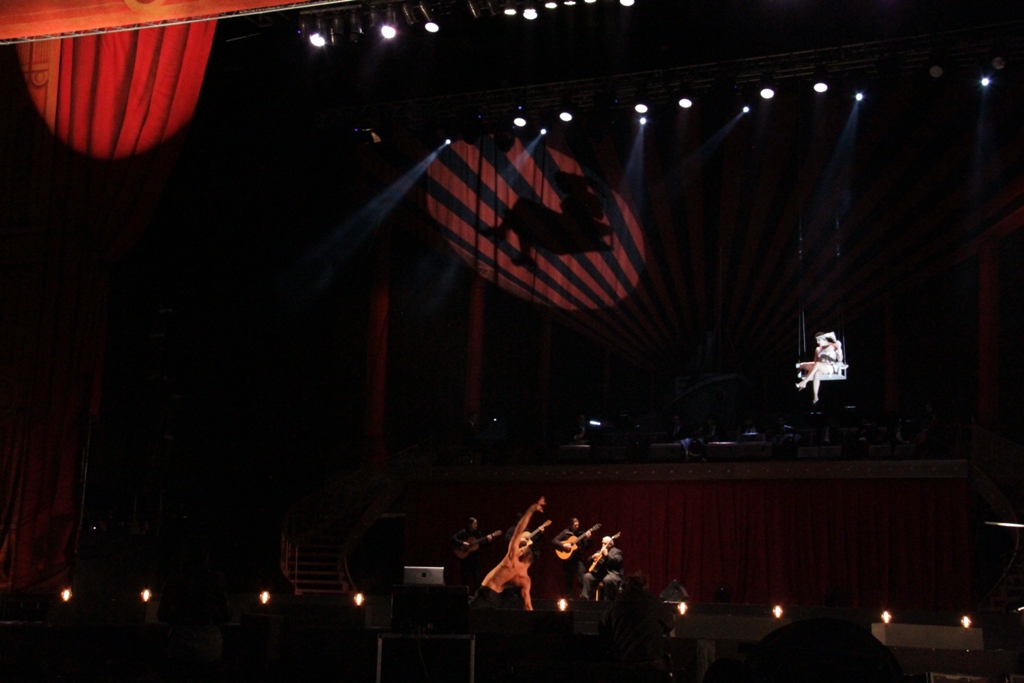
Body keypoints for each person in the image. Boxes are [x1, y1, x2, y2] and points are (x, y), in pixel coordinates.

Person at [157, 543, 232, 675]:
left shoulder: (175, 580)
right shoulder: (216, 580)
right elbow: (226, 615)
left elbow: (162, 614)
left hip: (180, 645)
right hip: (209, 647)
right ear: (206, 558)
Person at [470, 496, 547, 611]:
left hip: (487, 594)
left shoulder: (512, 558)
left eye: (523, 549)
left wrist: (531, 510)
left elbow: (519, 529)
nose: (521, 549)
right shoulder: (526, 580)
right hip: (494, 598)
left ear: (527, 555)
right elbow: (528, 605)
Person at [599, 572, 675, 682]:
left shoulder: (615, 604)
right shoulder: (654, 602)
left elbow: (602, 628)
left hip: (623, 667)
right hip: (651, 667)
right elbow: (670, 624)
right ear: (644, 586)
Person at [796, 331, 846, 404]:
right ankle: (815, 396)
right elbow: (815, 362)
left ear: (824, 339)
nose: (817, 342)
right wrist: (806, 365)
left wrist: (838, 348)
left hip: (830, 367)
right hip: (820, 366)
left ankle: (804, 382)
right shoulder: (817, 349)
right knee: (815, 371)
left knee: (818, 365)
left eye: (819, 340)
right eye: (816, 340)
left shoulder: (833, 345)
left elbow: (840, 359)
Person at [552, 517, 594, 599]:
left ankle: (583, 598)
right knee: (569, 579)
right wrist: (563, 545)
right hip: (568, 560)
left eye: (578, 525)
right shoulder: (565, 532)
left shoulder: (581, 533)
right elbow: (554, 540)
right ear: (571, 526)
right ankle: (569, 599)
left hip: (578, 559)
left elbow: (587, 546)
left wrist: (588, 538)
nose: (577, 526)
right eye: (575, 525)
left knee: (582, 578)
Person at [451, 516, 495, 592]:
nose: (476, 525)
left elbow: (481, 544)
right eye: (474, 524)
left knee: (476, 578)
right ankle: (463, 595)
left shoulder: (478, 533)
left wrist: (488, 541)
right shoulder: (463, 532)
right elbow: (453, 539)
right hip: (465, 559)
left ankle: (475, 597)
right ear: (469, 524)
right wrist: (462, 542)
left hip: (474, 559)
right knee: (464, 579)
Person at [582, 535, 624, 600]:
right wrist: (592, 557)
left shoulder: (617, 551)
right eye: (602, 543)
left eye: (605, 543)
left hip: (612, 575)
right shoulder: (600, 551)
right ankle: (584, 599)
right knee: (587, 576)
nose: (603, 545)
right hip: (600, 575)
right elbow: (589, 562)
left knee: (607, 580)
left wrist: (607, 555)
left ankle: (607, 601)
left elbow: (616, 562)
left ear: (610, 544)